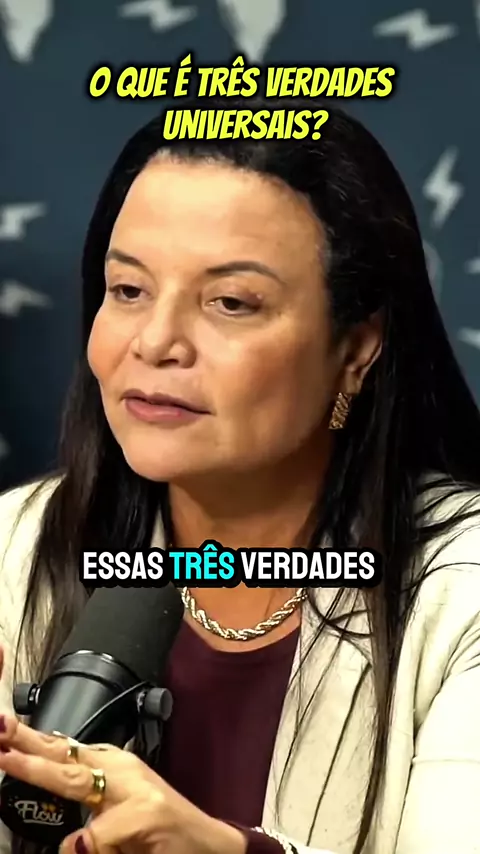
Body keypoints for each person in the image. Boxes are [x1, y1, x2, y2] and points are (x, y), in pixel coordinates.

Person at [1, 95, 480, 854]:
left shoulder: (461, 590)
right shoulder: (13, 546)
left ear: (357, 348)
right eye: (128, 290)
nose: (156, 342)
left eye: (230, 302)